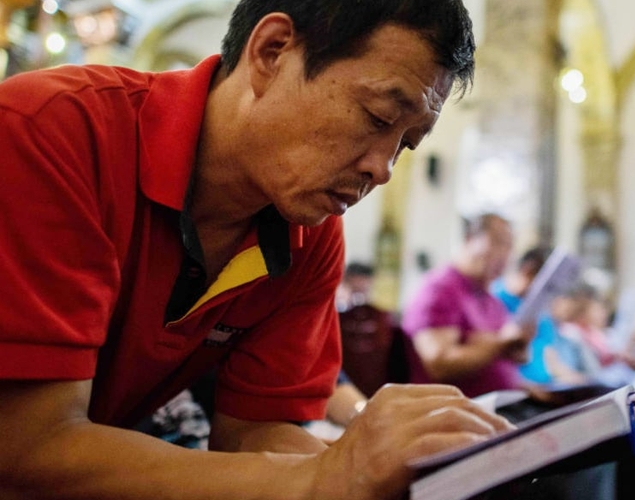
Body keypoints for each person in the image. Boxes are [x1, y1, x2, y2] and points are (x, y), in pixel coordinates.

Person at [0, 2, 516, 500]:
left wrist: (372, 471)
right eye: (379, 117)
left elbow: (254, 432)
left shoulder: (306, 234)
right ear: (272, 52)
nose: (383, 169)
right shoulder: (52, 132)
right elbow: (27, 448)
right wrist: (325, 478)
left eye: (406, 144)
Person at [401, 213, 534, 397]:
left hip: (504, 405)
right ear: (469, 239)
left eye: (510, 247)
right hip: (453, 413)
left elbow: (505, 354)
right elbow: (439, 363)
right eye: (498, 242)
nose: (504, 255)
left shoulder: (492, 301)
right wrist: (499, 345)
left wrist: (515, 349)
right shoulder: (440, 289)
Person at [493, 247, 588, 386]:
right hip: (512, 391)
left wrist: (583, 384)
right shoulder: (494, 299)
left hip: (545, 390)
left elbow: (551, 360)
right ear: (528, 270)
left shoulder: (542, 314)